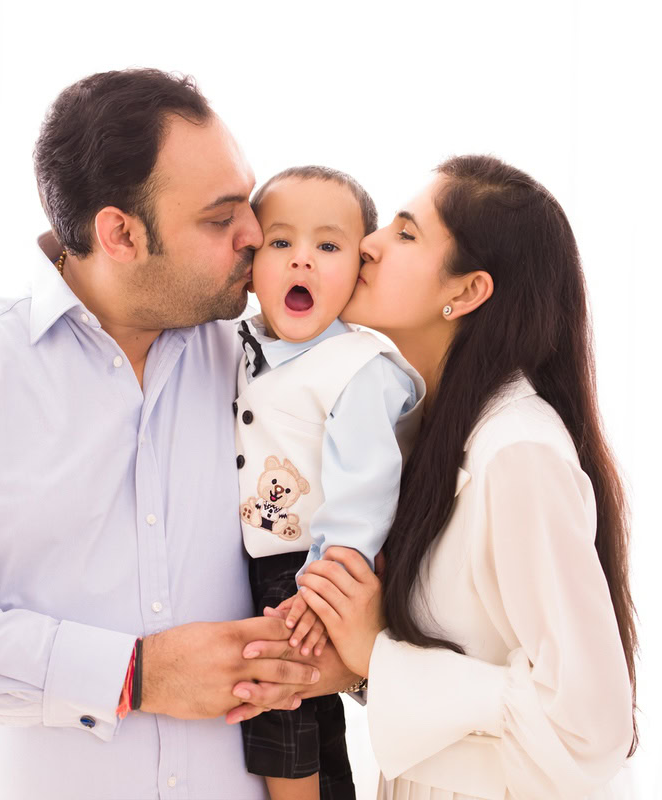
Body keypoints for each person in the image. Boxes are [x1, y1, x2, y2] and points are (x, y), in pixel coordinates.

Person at [0, 68, 361, 800]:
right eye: (220, 219)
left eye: (246, 201)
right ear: (120, 232)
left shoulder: (278, 368)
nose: (256, 235)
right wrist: (133, 673)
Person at [240, 154, 639, 799]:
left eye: (403, 233)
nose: (366, 245)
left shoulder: (517, 452)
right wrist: (350, 664)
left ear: (466, 291)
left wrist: (377, 656)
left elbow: (592, 727)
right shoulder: (417, 426)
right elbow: (457, 665)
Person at [233, 166, 425, 800]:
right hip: (251, 561)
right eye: (281, 243)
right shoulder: (236, 345)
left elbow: (365, 491)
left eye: (328, 246)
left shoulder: (357, 366)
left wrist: (324, 586)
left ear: (358, 269)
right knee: (299, 728)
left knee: (284, 722)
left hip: (310, 569)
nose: (302, 262)